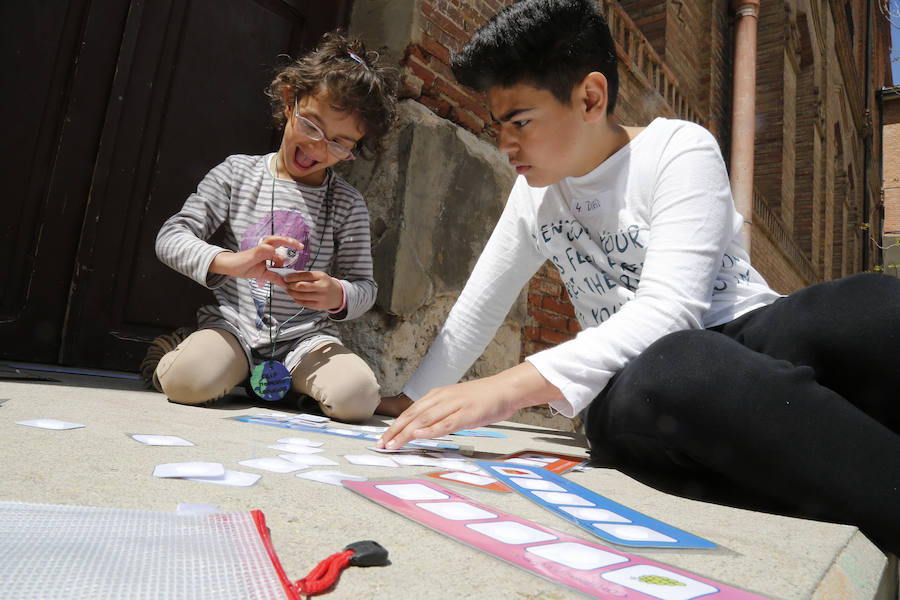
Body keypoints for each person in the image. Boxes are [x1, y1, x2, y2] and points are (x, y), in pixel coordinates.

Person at [376, 0, 900, 554]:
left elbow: (674, 309)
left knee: (872, 304)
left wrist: (506, 387)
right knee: (682, 367)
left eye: (520, 122)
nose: (506, 145)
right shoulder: (533, 198)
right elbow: (476, 313)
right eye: (498, 125)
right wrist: (410, 399)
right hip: (640, 382)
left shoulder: (678, 147)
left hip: (750, 338)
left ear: (590, 98)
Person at [154, 32, 397, 422]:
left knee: (357, 399)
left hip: (306, 340)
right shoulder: (237, 173)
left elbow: (365, 288)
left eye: (340, 143)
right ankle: (190, 352)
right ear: (289, 101)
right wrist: (229, 262)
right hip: (233, 330)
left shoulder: (348, 203)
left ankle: (284, 387)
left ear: (356, 146)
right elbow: (171, 237)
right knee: (187, 382)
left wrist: (337, 293)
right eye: (312, 126)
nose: (319, 148)